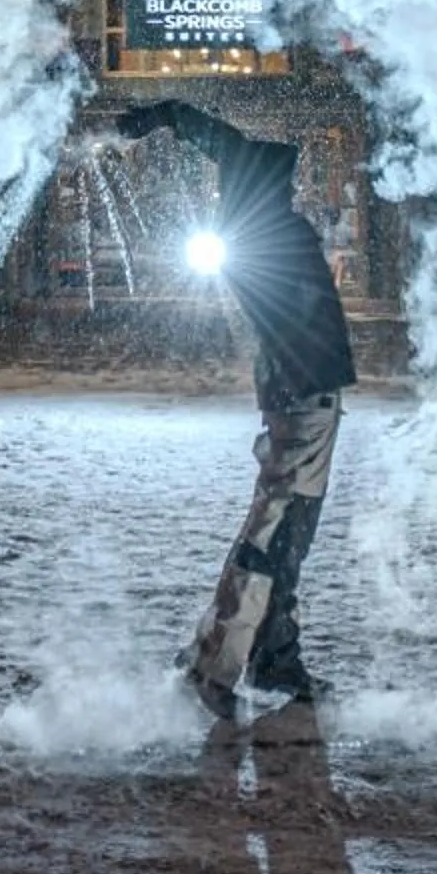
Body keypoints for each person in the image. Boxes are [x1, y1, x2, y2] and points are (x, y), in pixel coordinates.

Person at [112, 97, 357, 715]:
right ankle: (214, 665)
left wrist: (165, 117)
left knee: (286, 538)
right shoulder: (267, 231)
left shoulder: (257, 230)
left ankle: (275, 658)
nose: (292, 184)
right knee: (273, 539)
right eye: (282, 177)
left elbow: (227, 147)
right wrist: (168, 113)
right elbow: (232, 147)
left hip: (302, 397)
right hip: (304, 400)